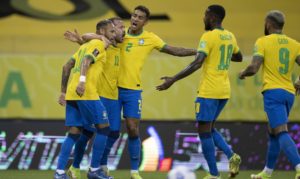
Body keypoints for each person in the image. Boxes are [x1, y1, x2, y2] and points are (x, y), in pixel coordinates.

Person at [157, 5, 243, 179]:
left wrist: (173, 79)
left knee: (204, 132)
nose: (203, 18)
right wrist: (221, 54)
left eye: (205, 15)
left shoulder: (208, 36)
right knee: (210, 128)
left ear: (212, 17)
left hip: (209, 91)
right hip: (224, 91)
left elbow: (197, 63)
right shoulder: (230, 36)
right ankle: (232, 156)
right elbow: (239, 57)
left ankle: (213, 174)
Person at [238, 10, 300, 179]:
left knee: (281, 131)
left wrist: (243, 72)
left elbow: (254, 67)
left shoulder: (263, 41)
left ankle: (299, 166)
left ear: (269, 24)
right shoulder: (294, 44)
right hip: (289, 93)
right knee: (273, 131)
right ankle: (267, 172)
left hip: (273, 92)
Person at [64, 17, 125, 179]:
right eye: (118, 28)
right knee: (88, 132)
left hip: (114, 96)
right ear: (108, 30)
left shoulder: (120, 45)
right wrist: (95, 37)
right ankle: (78, 167)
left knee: (113, 132)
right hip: (98, 94)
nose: (121, 31)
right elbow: (88, 37)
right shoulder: (102, 42)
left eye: (122, 28)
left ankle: (98, 165)